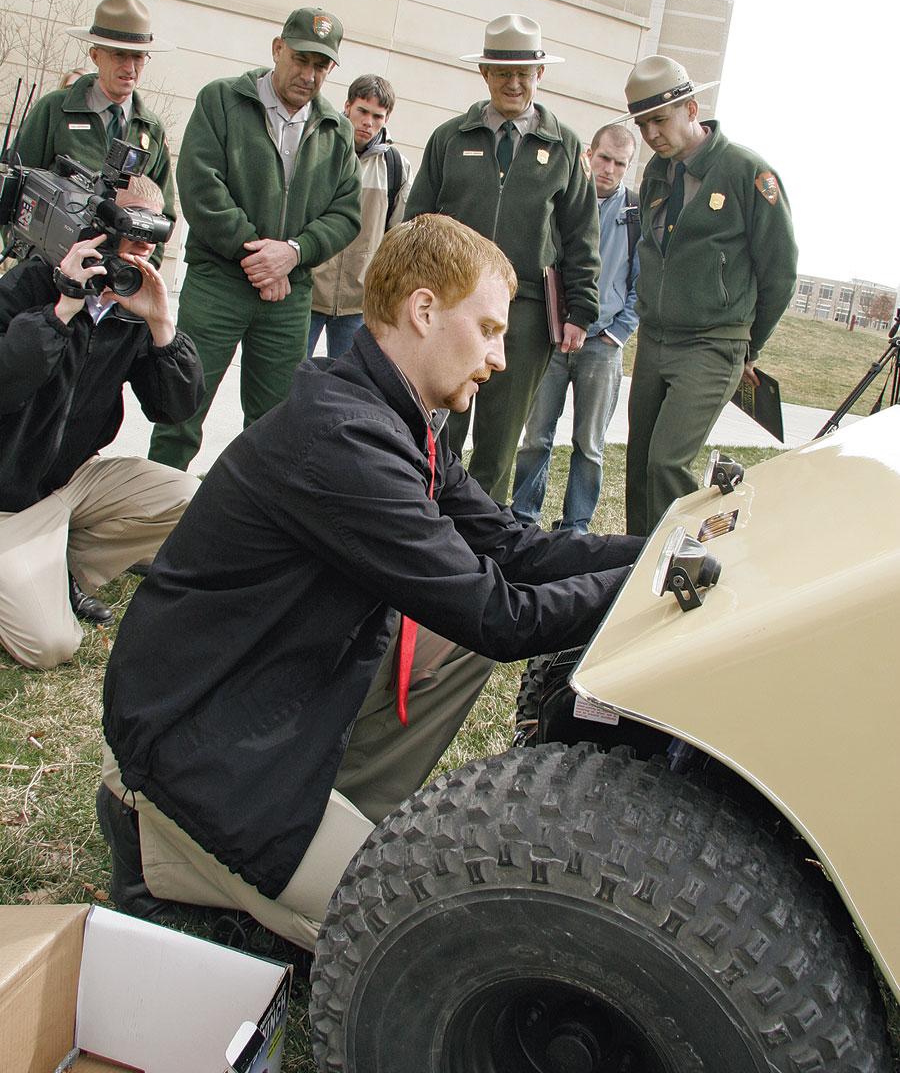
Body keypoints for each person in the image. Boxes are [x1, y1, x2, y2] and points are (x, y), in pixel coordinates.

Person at [98, 214, 644, 950]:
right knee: (412, 933)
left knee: (454, 644)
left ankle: (339, 815)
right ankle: (162, 856)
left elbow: (511, 548)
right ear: (424, 311)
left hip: (260, 696)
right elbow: (500, 615)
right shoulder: (343, 437)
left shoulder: (393, 414)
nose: (500, 357)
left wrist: (659, 549)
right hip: (195, 748)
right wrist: (660, 584)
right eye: (487, 329)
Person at [0, 176, 203, 670]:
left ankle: (52, 569)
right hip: (4, 499)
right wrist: (63, 307)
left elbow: (175, 408)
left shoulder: (127, 308)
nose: (140, 258)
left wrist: (161, 327)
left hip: (68, 486)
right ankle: (26, 573)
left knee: (188, 497)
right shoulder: (30, 282)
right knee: (51, 644)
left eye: (150, 246)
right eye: (131, 239)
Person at [147, 7, 362, 471]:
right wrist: (260, 259)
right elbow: (202, 187)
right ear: (277, 48)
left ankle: (247, 531)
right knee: (182, 407)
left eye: (321, 66)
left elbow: (346, 213)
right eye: (300, 59)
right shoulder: (221, 101)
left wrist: (293, 253)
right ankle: (151, 523)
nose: (308, 74)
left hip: (288, 296)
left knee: (274, 426)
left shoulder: (337, 130)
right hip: (218, 282)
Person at [405, 15, 601, 502]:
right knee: (437, 428)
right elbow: (417, 223)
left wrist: (581, 310)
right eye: (501, 72)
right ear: (484, 74)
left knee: (499, 441)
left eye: (524, 73)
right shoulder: (450, 138)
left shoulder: (565, 147)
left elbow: (581, 234)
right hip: (452, 307)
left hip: (526, 315)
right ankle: (424, 520)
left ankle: (477, 542)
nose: (513, 83)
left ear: (540, 75)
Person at [617, 56, 798, 535]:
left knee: (666, 465)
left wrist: (748, 346)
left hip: (713, 344)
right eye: (643, 123)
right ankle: (636, 565)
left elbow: (780, 270)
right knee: (640, 465)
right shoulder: (657, 172)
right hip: (655, 339)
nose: (652, 133)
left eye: (660, 119)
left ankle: (687, 560)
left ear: (691, 109)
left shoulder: (747, 173)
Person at [512, 123, 640, 533]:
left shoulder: (637, 215)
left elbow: (644, 286)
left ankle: (576, 526)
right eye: (604, 158)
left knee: (589, 444)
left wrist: (616, 333)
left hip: (602, 346)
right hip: (554, 339)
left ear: (628, 167)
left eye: (620, 163)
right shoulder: (565, 200)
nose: (610, 169)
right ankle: (523, 517)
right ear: (589, 154)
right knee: (536, 436)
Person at [14, 0, 175, 266]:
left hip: (114, 279)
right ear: (95, 55)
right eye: (119, 55)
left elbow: (164, 215)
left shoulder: (151, 130)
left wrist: (140, 271)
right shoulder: (55, 110)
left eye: (138, 57)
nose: (130, 68)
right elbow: (16, 186)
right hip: (48, 267)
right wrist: (23, 253)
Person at [307, 73, 412, 357]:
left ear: (386, 118)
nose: (368, 122)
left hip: (359, 303)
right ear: (348, 106)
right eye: (362, 111)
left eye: (377, 116)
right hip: (307, 293)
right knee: (288, 383)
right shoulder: (316, 148)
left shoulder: (396, 167)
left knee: (346, 389)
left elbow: (398, 240)